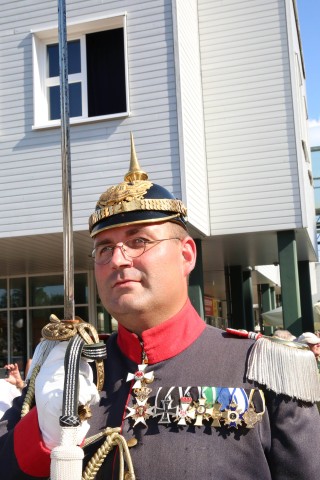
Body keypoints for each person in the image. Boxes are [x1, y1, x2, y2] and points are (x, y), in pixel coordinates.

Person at [1, 136, 320, 479]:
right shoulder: (71, 369)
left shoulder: (266, 369)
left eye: (139, 241)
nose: (119, 259)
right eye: (104, 249)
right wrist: (42, 433)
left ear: (186, 255)